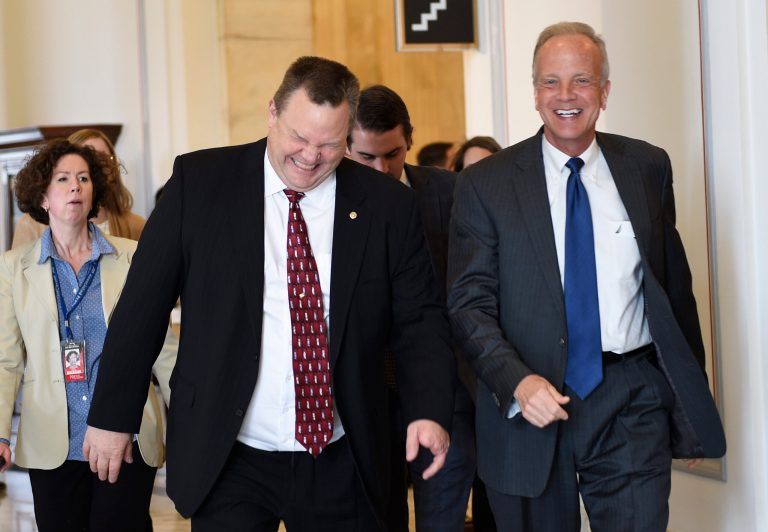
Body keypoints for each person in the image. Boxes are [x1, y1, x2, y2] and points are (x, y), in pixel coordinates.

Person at [83, 56, 456, 531]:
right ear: (272, 113)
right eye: (299, 137)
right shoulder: (201, 184)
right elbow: (143, 307)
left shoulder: (387, 205)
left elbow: (420, 319)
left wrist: (428, 410)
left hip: (342, 452)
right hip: (230, 451)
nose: (310, 156)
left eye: (329, 144)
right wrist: (113, 415)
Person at [447, 21, 726, 532]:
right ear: (535, 93)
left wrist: (688, 406)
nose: (566, 96)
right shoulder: (485, 184)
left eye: (582, 80)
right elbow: (469, 305)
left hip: (629, 398)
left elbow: (672, 291)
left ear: (605, 90)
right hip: (530, 403)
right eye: (551, 82)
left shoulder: (646, 167)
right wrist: (516, 382)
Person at [0, 139, 177, 531]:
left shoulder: (132, 257)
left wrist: (192, 422)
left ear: (95, 191)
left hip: (126, 436)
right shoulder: (13, 269)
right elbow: (6, 360)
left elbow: (164, 350)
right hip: (53, 445)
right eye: (63, 179)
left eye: (83, 178)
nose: (75, 187)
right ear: (42, 196)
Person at [346, 84, 473, 532]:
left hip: (444, 392)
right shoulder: (326, 203)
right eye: (366, 157)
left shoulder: (451, 193)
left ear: (409, 141)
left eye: (392, 154)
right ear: (344, 145)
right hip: (363, 399)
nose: (381, 169)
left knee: (442, 519)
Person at [12, 128, 146, 248]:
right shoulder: (29, 225)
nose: (97, 165)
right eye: (89, 157)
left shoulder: (135, 225)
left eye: (104, 158)